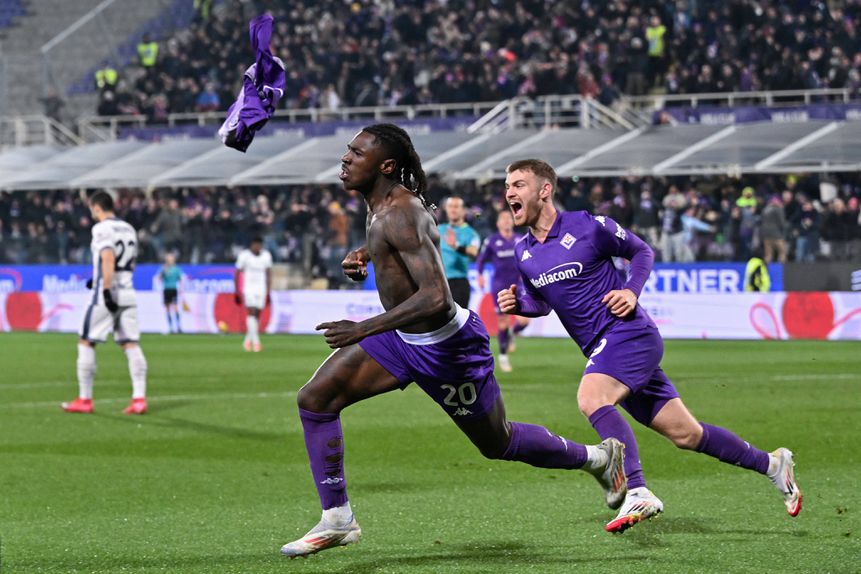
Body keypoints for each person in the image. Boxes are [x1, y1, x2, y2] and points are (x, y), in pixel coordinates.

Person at [280, 125, 626, 558]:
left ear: (386, 166)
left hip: (447, 349)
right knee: (316, 399)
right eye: (348, 150)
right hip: (403, 339)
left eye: (356, 152)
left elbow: (436, 297)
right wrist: (367, 252)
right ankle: (337, 519)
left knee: (497, 442)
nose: (346, 158)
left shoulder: (398, 211)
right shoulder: (386, 207)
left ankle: (599, 458)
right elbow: (413, 235)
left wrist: (364, 328)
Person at [497, 159, 801, 534]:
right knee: (686, 434)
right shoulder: (525, 253)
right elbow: (543, 303)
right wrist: (520, 304)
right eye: (507, 186)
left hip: (629, 333)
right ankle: (773, 465)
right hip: (604, 349)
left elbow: (642, 252)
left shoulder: (589, 225)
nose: (509, 192)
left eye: (518, 184)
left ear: (544, 190)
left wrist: (630, 291)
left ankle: (637, 490)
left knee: (592, 398)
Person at [62, 191, 148, 415]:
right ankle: (139, 399)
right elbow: (126, 262)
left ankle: (85, 399)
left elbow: (108, 257)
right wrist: (100, 277)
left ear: (97, 207)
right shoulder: (129, 228)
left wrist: (106, 288)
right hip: (128, 291)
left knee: (86, 341)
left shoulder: (101, 228)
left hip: (107, 293)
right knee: (131, 344)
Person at [476, 210, 529, 372]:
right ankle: (503, 356)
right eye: (503, 219)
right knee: (503, 321)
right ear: (498, 223)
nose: (506, 221)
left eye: (508, 218)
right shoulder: (492, 241)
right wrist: (480, 275)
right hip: (499, 286)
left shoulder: (520, 239)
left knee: (524, 321)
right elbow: (481, 260)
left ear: (512, 222)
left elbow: (529, 259)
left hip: (519, 285)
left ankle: (512, 334)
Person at [438, 196, 480, 308]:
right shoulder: (439, 229)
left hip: (458, 283)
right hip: (439, 283)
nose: (453, 210)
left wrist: (456, 246)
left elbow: (473, 252)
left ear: (463, 210)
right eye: (450, 206)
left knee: (457, 318)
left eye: (456, 207)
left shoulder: (471, 233)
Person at [234, 236, 272, 352]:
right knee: (251, 312)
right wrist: (236, 290)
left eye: (260, 245)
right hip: (249, 288)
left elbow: (268, 274)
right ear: (252, 245)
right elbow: (237, 273)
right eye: (256, 245)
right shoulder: (244, 256)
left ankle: (247, 341)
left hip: (261, 288)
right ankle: (256, 342)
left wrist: (268, 290)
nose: (258, 247)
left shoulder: (266, 256)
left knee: (257, 315)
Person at [159, 252, 183, 333]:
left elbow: (180, 279)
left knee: (175, 307)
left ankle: (179, 326)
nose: (169, 260)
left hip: (173, 289)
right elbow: (159, 278)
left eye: (171, 259)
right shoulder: (164, 268)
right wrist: (163, 271)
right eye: (168, 259)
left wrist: (181, 289)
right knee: (167, 309)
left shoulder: (176, 269)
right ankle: (170, 327)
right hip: (166, 289)